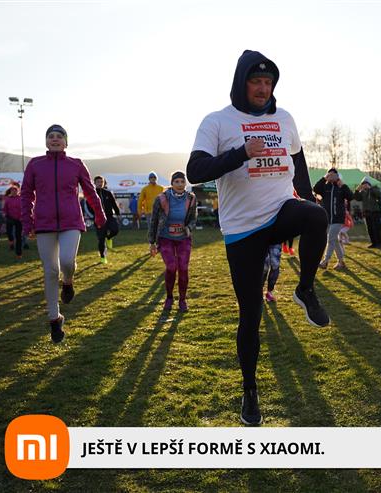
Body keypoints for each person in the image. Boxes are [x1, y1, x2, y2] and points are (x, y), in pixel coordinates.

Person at [186, 49, 330, 426]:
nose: (263, 88)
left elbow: (297, 159)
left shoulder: (284, 118)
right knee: (250, 315)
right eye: (256, 81)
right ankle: (250, 392)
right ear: (241, 83)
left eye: (268, 82)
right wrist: (240, 153)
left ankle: (305, 289)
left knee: (316, 216)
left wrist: (306, 193)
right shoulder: (218, 121)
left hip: (280, 209)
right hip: (242, 229)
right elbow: (195, 170)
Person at [21, 124, 106, 343]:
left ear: (66, 142)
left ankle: (68, 281)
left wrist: (100, 215)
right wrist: (27, 222)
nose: (55, 139)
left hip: (71, 222)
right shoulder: (35, 164)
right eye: (51, 136)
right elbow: (26, 194)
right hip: (44, 224)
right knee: (50, 271)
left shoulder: (76, 164)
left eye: (59, 136)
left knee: (67, 261)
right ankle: (54, 318)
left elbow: (90, 191)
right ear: (46, 141)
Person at [148, 171, 197, 312]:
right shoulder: (161, 198)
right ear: (172, 183)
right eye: (177, 182)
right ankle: (169, 298)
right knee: (171, 267)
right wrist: (152, 242)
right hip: (165, 238)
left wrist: (189, 227)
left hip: (183, 238)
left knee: (183, 268)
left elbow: (193, 218)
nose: (180, 184)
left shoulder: (191, 198)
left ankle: (182, 300)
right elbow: (154, 221)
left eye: (182, 182)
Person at [314, 168, 353, 270]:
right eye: (329, 174)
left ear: (337, 176)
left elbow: (350, 196)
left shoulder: (340, 187)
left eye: (333, 175)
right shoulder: (325, 187)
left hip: (338, 219)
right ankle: (341, 262)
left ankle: (325, 261)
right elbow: (315, 189)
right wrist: (324, 178)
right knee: (334, 240)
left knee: (330, 239)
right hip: (327, 219)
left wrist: (342, 184)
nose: (331, 176)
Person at [87, 176, 121, 264]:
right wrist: (94, 216)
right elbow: (88, 207)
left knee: (115, 230)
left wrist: (118, 213)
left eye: (101, 182)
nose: (100, 183)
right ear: (94, 183)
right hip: (99, 219)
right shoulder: (91, 194)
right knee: (101, 239)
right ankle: (103, 257)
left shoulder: (108, 193)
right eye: (98, 182)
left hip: (109, 217)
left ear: (104, 183)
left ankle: (109, 238)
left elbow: (114, 204)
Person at [354, 179, 381, 248]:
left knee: (377, 228)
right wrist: (357, 190)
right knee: (370, 229)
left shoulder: (375, 189)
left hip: (375, 212)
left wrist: (370, 188)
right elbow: (357, 198)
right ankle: (373, 243)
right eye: (363, 184)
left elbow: (378, 194)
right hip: (367, 213)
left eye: (365, 184)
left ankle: (379, 243)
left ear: (369, 184)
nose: (364, 185)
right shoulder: (363, 192)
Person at [3, 185, 24, 258]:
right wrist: (5, 214)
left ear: (18, 191)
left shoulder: (21, 198)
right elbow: (5, 209)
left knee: (18, 236)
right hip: (10, 218)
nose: (14, 192)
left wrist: (23, 217)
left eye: (15, 190)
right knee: (9, 232)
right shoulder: (8, 199)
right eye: (12, 191)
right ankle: (11, 242)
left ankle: (19, 253)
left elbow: (24, 208)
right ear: (10, 192)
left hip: (19, 219)